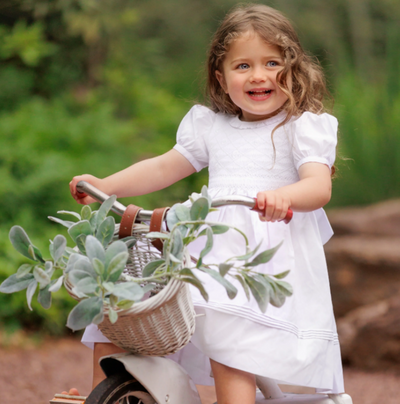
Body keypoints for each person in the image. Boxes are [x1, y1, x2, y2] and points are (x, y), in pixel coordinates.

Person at [69, 4, 344, 404]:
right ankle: (108, 393)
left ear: (293, 68)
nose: (259, 75)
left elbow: (318, 187)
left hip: (259, 263)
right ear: (221, 76)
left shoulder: (299, 127)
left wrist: (283, 197)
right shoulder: (211, 126)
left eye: (271, 62)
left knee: (230, 341)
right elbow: (164, 167)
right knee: (122, 313)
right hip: (205, 252)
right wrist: (106, 185)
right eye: (243, 66)